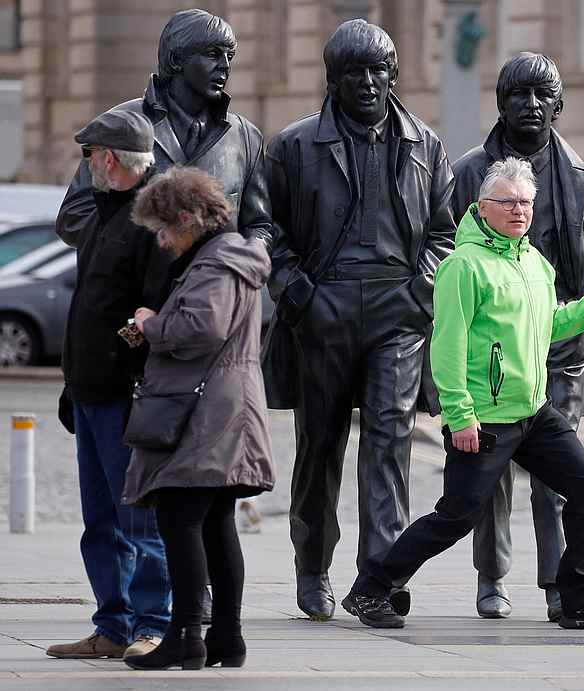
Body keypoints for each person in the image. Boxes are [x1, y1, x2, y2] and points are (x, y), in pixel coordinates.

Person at [342, 157, 584, 632]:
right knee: (456, 516)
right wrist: (459, 415)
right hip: (487, 418)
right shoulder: (463, 266)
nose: (519, 211)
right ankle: (372, 587)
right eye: (508, 202)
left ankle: (580, 597)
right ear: (483, 206)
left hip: (535, 413)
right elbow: (448, 345)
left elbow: (550, 327)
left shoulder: (534, 263)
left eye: (526, 202)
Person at [264, 19, 455, 621]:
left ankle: (379, 577)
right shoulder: (295, 146)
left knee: (390, 443)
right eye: (355, 71)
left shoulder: (426, 144)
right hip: (326, 306)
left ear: (393, 74)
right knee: (319, 445)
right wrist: (300, 294)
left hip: (398, 310)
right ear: (333, 78)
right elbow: (268, 230)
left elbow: (446, 232)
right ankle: (312, 565)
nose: (369, 82)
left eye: (378, 69)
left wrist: (419, 289)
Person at [450, 52, 584, 621]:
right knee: (490, 480)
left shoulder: (580, 177)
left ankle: (558, 584)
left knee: (559, 480)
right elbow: (448, 256)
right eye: (518, 95)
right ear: (501, 104)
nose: (531, 105)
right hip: (489, 353)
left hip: (560, 350)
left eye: (542, 95)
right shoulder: (471, 172)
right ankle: (492, 578)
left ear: (559, 106)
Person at [120, 166, 275, 671]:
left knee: (179, 516)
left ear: (187, 217)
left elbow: (201, 328)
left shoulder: (216, 262)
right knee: (214, 522)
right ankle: (226, 638)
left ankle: (186, 634)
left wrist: (152, 323)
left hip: (209, 411)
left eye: (164, 229)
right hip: (226, 402)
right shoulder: (229, 257)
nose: (162, 241)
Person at [45, 110, 172, 662]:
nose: (86, 164)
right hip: (90, 392)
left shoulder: (151, 223)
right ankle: (112, 625)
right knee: (99, 522)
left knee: (138, 519)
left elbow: (154, 308)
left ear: (111, 159)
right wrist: (75, 380)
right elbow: (89, 305)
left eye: (89, 154)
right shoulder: (102, 214)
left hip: (126, 395)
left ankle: (153, 624)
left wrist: (122, 350)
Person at [56, 8, 271, 248]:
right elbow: (73, 217)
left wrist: (243, 261)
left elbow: (260, 226)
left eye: (229, 56)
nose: (225, 65)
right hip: (140, 284)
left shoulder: (245, 136)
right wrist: (152, 243)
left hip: (215, 283)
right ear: (176, 59)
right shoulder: (121, 124)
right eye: (212, 54)